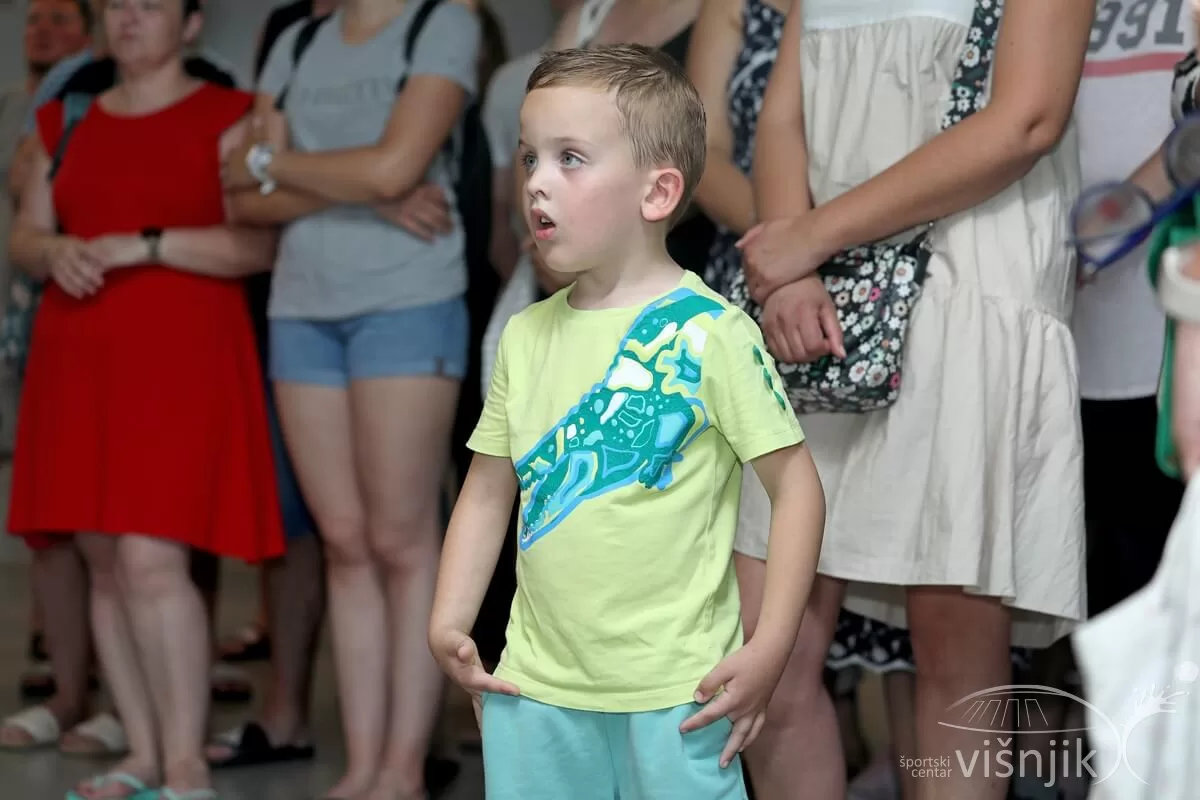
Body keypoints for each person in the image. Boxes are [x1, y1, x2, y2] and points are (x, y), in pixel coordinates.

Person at [428, 44, 826, 799]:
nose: (536, 181)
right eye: (529, 157)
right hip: (534, 688)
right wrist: (450, 617)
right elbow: (486, 492)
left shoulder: (712, 334)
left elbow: (798, 490)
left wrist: (772, 644)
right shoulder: (524, 335)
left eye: (570, 158)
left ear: (657, 192)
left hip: (678, 692)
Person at [732, 0, 1092, 798]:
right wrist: (791, 267)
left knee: (954, 662)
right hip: (819, 302)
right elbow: (783, 115)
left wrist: (812, 237)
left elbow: (1027, 119)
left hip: (965, 287)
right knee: (762, 659)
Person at [6, 0, 285, 796]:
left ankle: (186, 759)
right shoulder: (66, 118)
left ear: (191, 24)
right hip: (78, 354)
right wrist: (51, 249)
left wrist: (148, 244)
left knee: (151, 558)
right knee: (102, 559)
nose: (129, 18)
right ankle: (141, 751)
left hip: (180, 358)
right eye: (117, 5)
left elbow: (258, 243)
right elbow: (24, 235)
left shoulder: (235, 115)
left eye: (151, 4)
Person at [219, 0, 481, 795]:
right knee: (344, 543)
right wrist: (365, 188)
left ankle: (402, 769)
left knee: (401, 539)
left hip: (406, 299)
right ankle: (363, 765)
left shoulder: (441, 23)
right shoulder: (298, 40)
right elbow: (241, 196)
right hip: (302, 304)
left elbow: (395, 169)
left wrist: (287, 165)